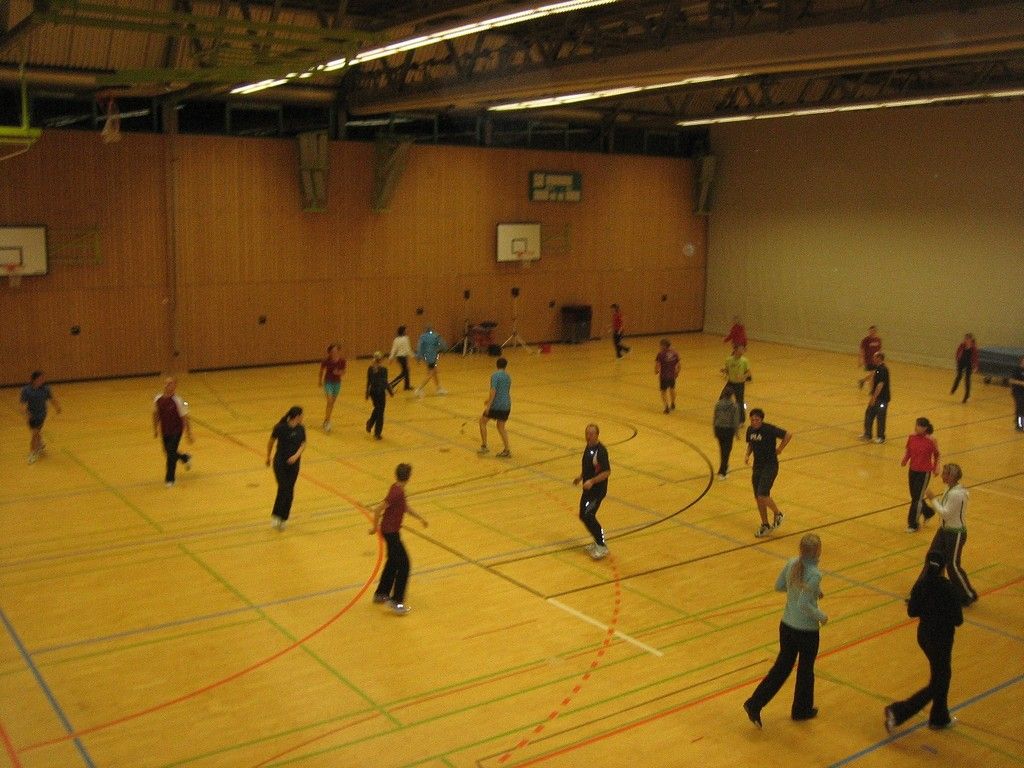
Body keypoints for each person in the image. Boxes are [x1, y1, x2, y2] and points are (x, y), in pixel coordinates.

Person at [743, 533, 828, 728]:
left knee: (781, 668)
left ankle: (755, 703)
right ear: (817, 551)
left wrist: (807, 591)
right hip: (806, 631)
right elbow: (805, 605)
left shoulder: (791, 563)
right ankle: (801, 709)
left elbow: (779, 586)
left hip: (787, 626)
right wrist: (822, 617)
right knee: (806, 670)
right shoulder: (814, 574)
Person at [885, 550, 964, 733]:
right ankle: (898, 712)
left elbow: (912, 611)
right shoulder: (948, 588)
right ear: (944, 568)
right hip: (942, 640)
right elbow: (958, 620)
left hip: (924, 637)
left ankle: (939, 717)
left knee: (941, 675)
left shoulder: (921, 586)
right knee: (939, 681)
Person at [369, 463, 428, 615]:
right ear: (408, 477)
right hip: (391, 533)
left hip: (389, 531)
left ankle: (381, 593)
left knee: (393, 562)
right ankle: (396, 602)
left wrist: (420, 518)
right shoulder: (397, 492)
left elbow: (405, 508)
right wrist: (374, 528)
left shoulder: (397, 489)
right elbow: (377, 509)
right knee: (404, 565)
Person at [923, 463, 978, 606]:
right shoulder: (949, 488)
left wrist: (932, 499)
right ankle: (931, 589)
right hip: (944, 530)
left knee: (952, 565)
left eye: (945, 474)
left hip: (955, 533)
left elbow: (945, 513)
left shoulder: (957, 494)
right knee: (933, 557)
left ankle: (968, 594)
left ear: (951, 476)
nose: (942, 475)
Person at [745, 408, 792, 538]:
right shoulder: (750, 430)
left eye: (757, 420)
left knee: (762, 494)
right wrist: (747, 455)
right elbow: (750, 444)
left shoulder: (769, 429)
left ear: (761, 420)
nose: (754, 422)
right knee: (758, 497)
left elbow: (788, 434)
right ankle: (765, 524)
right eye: (752, 419)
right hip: (757, 467)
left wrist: (780, 449)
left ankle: (778, 514)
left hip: (770, 465)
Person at [574, 423, 611, 560]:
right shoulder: (588, 447)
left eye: (591, 434)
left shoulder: (600, 451)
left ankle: (601, 545)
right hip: (588, 490)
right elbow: (589, 467)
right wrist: (581, 477)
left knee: (589, 515)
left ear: (597, 435)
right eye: (586, 433)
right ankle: (597, 541)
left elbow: (607, 472)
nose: (588, 436)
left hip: (597, 491)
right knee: (583, 515)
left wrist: (592, 481)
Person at [266, 406, 306, 530]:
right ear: (296, 416)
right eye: (301, 415)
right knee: (283, 487)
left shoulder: (301, 429)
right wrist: (268, 456)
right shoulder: (280, 428)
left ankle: (284, 518)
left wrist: (296, 456)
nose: (303, 417)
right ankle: (276, 516)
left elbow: (303, 444)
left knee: (290, 490)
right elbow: (271, 441)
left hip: (294, 464)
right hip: (280, 462)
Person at [153, 377, 193, 487]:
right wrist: (155, 428)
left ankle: (170, 479)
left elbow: (185, 418)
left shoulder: (178, 401)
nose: (167, 385)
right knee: (168, 452)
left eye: (170, 384)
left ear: (174, 386)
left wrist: (188, 433)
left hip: (176, 430)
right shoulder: (158, 399)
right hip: (165, 430)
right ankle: (185, 457)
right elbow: (156, 414)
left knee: (170, 452)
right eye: (166, 383)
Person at [901, 417, 940, 532]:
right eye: (916, 425)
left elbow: (937, 455)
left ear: (925, 428)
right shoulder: (912, 437)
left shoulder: (931, 440)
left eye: (920, 426)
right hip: (913, 470)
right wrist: (905, 459)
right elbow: (909, 450)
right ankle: (928, 512)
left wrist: (936, 468)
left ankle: (913, 524)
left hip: (924, 472)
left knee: (917, 499)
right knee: (915, 496)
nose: (917, 427)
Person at [19, 370, 61, 464]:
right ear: (34, 379)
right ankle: (40, 443)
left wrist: (57, 407)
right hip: (31, 415)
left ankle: (32, 453)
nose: (43, 380)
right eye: (41, 378)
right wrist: (25, 414)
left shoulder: (46, 389)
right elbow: (22, 404)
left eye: (43, 378)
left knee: (34, 433)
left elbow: (52, 399)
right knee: (36, 432)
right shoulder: (26, 390)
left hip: (41, 414)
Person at [479, 356, 512, 457]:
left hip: (496, 405)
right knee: (501, 427)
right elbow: (504, 391)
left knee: (482, 422)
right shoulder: (508, 376)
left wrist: (489, 405)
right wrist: (488, 400)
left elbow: (493, 391)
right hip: (506, 404)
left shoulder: (495, 375)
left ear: (496, 365)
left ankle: (484, 446)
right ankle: (507, 450)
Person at [862, 351, 890, 443]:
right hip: (876, 397)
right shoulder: (877, 368)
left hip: (882, 398)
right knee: (869, 414)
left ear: (879, 358)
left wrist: (874, 397)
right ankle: (867, 434)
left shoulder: (883, 370)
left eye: (875, 357)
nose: (873, 358)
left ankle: (881, 437)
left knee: (880, 417)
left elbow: (880, 384)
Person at [365, 352, 394, 440]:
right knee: (380, 412)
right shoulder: (383, 369)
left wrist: (367, 393)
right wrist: (390, 391)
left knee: (377, 409)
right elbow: (385, 382)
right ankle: (377, 433)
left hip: (373, 392)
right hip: (380, 392)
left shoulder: (370, 368)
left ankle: (370, 423)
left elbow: (368, 381)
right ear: (381, 360)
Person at [318, 344, 346, 433]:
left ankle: (326, 419)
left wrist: (338, 373)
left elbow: (344, 371)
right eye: (332, 351)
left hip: (337, 383)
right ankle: (328, 422)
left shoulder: (342, 361)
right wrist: (319, 381)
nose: (334, 352)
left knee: (331, 403)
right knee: (329, 401)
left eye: (336, 351)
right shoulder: (326, 361)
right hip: (328, 382)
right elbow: (321, 371)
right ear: (329, 352)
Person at [721, 344, 751, 424]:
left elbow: (749, 373)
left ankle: (741, 420)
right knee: (722, 398)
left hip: (739, 384)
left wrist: (743, 376)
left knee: (739, 402)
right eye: (740, 349)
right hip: (730, 383)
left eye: (743, 349)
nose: (742, 351)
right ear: (735, 349)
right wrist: (724, 371)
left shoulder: (744, 361)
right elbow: (727, 369)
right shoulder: (729, 360)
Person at [713, 390, 740, 479]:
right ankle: (722, 472)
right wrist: (737, 433)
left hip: (719, 428)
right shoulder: (734, 406)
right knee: (727, 450)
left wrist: (715, 429)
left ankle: (725, 466)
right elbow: (735, 421)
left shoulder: (718, 404)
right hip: (728, 430)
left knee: (722, 449)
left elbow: (715, 417)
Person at [414, 325, 448, 397]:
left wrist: (418, 357)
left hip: (426, 357)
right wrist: (444, 350)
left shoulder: (422, 336)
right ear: (431, 330)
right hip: (432, 357)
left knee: (434, 372)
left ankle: (439, 389)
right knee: (430, 373)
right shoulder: (435, 335)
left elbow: (419, 347)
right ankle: (419, 389)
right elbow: (442, 344)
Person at [950, 333, 978, 403]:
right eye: (965, 339)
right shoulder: (962, 345)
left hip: (969, 364)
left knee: (967, 379)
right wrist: (957, 359)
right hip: (961, 363)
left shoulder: (973, 348)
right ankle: (954, 388)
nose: (966, 340)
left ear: (971, 340)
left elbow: (975, 357)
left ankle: (966, 395)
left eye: (968, 339)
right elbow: (958, 352)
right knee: (959, 376)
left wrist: (975, 366)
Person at [655, 338, 681, 414]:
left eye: (660, 345)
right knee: (672, 389)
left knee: (663, 391)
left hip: (663, 376)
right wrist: (677, 372)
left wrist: (656, 370)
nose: (659, 347)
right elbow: (679, 365)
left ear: (664, 346)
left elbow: (657, 364)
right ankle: (673, 403)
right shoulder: (675, 353)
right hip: (672, 376)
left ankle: (666, 407)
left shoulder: (660, 354)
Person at [388, 325, 414, 391]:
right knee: (404, 373)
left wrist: (391, 358)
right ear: (403, 331)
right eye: (406, 330)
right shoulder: (406, 338)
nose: (407, 331)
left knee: (406, 371)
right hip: (403, 357)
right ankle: (391, 385)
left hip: (399, 358)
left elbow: (394, 350)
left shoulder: (396, 339)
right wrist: (413, 356)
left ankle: (406, 386)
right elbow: (408, 349)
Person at [1010, 357, 1024, 432]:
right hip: (1017, 391)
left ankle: (1019, 421)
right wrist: (1021, 383)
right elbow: (1011, 380)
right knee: (1020, 409)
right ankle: (1019, 425)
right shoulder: (1017, 370)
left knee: (1022, 409)